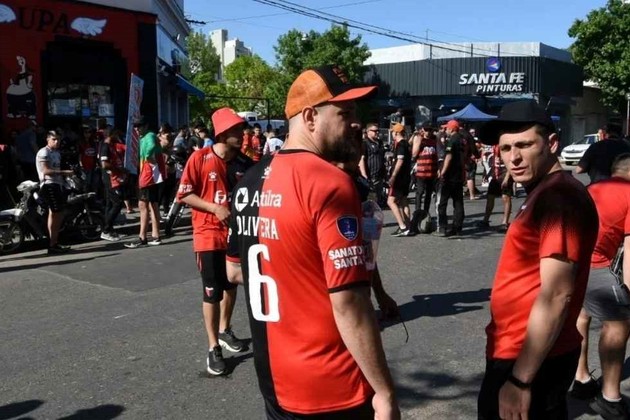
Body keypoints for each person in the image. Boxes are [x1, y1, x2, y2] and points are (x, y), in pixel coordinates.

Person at [226, 65, 399, 419]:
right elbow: (350, 304)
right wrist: (384, 392)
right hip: (331, 385)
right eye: (345, 113)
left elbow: (235, 272)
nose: (355, 122)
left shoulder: (248, 182)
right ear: (309, 117)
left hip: (274, 378)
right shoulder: (329, 183)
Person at [477, 100, 599, 419]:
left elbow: (557, 294)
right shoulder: (543, 191)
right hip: (520, 350)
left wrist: (520, 380)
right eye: (505, 148)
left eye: (524, 145)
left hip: (529, 357)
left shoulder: (559, 198)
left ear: (552, 143)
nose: (513, 157)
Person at [177, 107, 248, 376]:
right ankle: (213, 347)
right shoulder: (199, 158)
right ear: (222, 133)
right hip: (207, 235)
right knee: (212, 291)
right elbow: (184, 194)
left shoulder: (244, 163)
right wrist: (214, 208)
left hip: (235, 235)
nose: (242, 134)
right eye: (236, 130)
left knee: (231, 284)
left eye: (241, 128)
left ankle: (225, 329)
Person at [572, 153, 630, 418]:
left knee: (582, 315)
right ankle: (610, 397)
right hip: (595, 263)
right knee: (619, 323)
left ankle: (581, 378)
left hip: (569, 262)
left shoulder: (591, 188)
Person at [125, 117, 165, 248]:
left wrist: (147, 156)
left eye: (139, 126)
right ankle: (155, 235)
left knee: (143, 205)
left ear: (146, 126)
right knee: (153, 205)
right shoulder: (145, 137)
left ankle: (142, 237)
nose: (137, 129)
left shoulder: (149, 136)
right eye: (135, 126)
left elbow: (151, 146)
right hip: (152, 175)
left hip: (148, 175)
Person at [36, 131, 74, 254]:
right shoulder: (44, 152)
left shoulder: (57, 153)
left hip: (57, 184)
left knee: (56, 213)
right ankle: (52, 244)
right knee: (56, 213)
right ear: (48, 139)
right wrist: (64, 172)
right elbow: (46, 171)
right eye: (54, 139)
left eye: (58, 139)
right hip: (48, 184)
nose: (56, 142)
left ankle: (54, 242)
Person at [435, 119, 465, 237]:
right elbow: (462, 157)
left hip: (449, 176)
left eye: (447, 128)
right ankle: (457, 228)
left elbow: (448, 157)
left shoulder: (452, 140)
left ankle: (443, 227)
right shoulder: (461, 140)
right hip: (458, 175)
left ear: (452, 129)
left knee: (442, 203)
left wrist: (443, 172)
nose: (445, 130)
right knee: (458, 203)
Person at [476, 144, 513, 232]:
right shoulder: (495, 145)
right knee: (490, 197)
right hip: (495, 174)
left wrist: (507, 178)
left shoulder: (505, 145)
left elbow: (510, 163)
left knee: (506, 197)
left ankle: (505, 222)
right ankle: (485, 220)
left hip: (504, 172)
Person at [99, 129, 127, 242]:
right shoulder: (105, 147)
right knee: (117, 203)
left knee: (110, 204)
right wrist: (119, 169)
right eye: (116, 134)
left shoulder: (111, 146)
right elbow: (105, 164)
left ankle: (109, 230)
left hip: (114, 178)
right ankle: (105, 230)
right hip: (110, 179)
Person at [410, 122, 438, 233]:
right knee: (420, 192)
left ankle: (425, 213)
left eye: (430, 130)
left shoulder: (435, 140)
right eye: (426, 130)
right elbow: (414, 154)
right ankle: (417, 212)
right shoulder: (419, 139)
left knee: (428, 194)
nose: (428, 132)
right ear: (422, 130)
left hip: (432, 171)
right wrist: (419, 142)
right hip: (421, 171)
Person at [387, 123, 412, 236]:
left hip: (399, 178)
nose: (392, 133)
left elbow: (400, 161)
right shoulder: (406, 144)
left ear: (396, 133)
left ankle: (402, 227)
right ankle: (408, 226)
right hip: (406, 177)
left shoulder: (401, 145)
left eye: (393, 132)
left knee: (390, 201)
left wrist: (393, 176)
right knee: (403, 201)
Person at [359, 122, 386, 207]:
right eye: (374, 131)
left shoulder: (380, 143)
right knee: (371, 202)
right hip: (370, 176)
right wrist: (364, 175)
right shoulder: (365, 143)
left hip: (380, 176)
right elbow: (361, 160)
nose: (377, 132)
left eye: (378, 131)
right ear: (368, 132)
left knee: (378, 201)